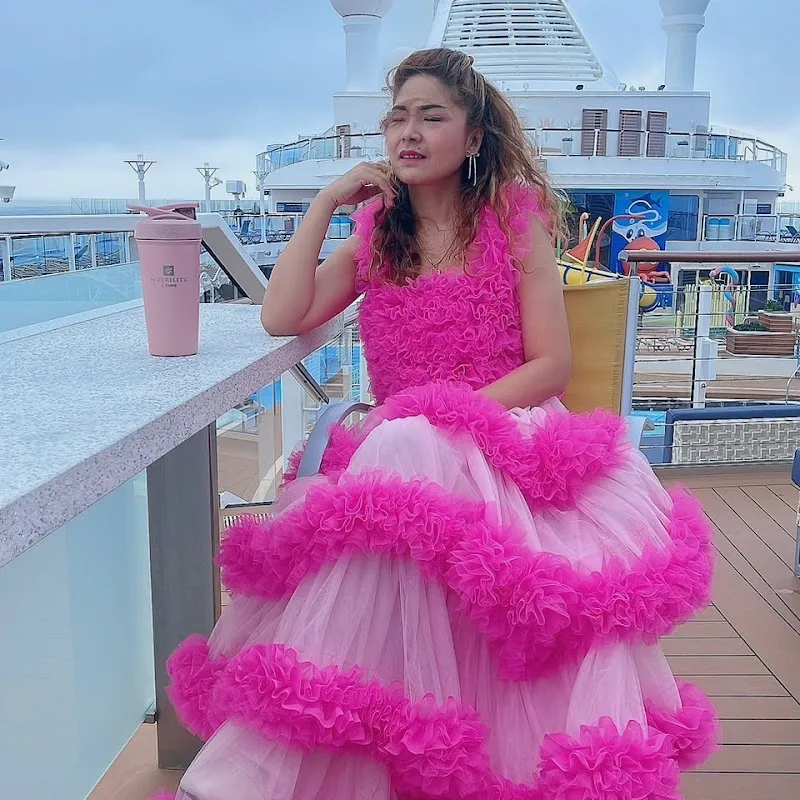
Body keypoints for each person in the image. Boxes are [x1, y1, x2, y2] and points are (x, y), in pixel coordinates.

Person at [158, 48, 719, 800]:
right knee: (395, 466)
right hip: (401, 451)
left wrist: (443, 419)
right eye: (397, 119)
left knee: (402, 452)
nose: (409, 133)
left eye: (431, 116)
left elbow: (551, 365)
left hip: (505, 438)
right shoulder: (377, 237)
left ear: (474, 136)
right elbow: (281, 315)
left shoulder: (513, 224)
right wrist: (327, 203)